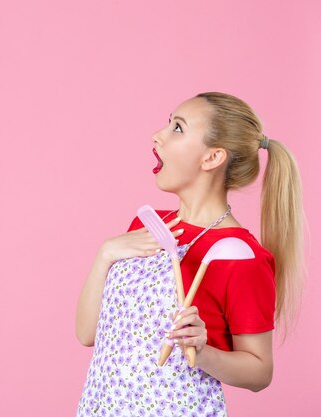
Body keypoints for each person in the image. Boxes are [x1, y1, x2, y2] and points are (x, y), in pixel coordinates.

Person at [75, 92, 304, 416]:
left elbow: (260, 372)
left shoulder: (240, 256)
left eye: (178, 128)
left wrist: (203, 351)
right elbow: (87, 334)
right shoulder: (148, 225)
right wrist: (106, 253)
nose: (158, 135)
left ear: (212, 158)